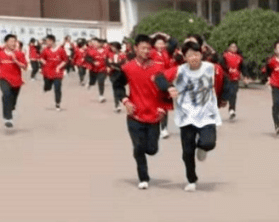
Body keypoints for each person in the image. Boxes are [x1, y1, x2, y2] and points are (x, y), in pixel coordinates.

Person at [155, 39, 227, 192]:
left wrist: (222, 99)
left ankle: (202, 148)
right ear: (185, 58)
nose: (193, 58)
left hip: (207, 114)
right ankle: (191, 179)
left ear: (201, 55)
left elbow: (222, 82)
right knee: (187, 151)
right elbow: (159, 77)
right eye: (189, 55)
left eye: (196, 54)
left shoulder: (212, 68)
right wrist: (168, 87)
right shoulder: (179, 70)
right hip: (186, 116)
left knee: (209, 143)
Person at [114, 34, 169, 190]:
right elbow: (117, 86)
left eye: (148, 48)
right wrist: (125, 101)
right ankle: (143, 178)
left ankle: (148, 149)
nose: (146, 51)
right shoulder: (127, 68)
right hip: (135, 115)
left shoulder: (158, 68)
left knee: (151, 149)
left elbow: (165, 90)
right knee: (138, 147)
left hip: (153, 116)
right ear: (136, 48)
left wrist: (162, 107)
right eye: (143, 48)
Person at [0, 34, 28, 129]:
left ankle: (10, 107)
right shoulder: (0, 53)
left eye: (14, 41)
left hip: (16, 80)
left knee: (12, 100)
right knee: (6, 94)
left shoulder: (19, 54)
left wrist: (16, 61)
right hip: (3, 78)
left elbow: (25, 67)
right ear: (6, 42)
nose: (13, 43)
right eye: (11, 41)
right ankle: (8, 118)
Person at [40, 35, 68, 111]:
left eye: (47, 41)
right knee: (48, 87)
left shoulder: (61, 50)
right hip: (48, 72)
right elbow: (41, 58)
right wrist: (45, 63)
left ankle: (57, 103)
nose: (46, 42)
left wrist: (59, 67)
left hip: (57, 72)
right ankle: (46, 87)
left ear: (52, 41)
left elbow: (65, 60)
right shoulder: (46, 50)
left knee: (57, 87)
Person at [220, 42, 243, 119]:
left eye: (235, 47)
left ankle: (232, 109)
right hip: (226, 78)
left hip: (235, 78)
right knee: (225, 92)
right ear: (229, 48)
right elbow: (221, 65)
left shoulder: (239, 57)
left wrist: (245, 77)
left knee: (233, 94)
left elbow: (242, 68)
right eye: (232, 47)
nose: (233, 48)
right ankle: (221, 102)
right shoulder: (225, 56)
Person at [85, 38, 110, 103]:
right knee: (93, 82)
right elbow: (87, 58)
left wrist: (108, 66)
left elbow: (108, 59)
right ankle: (90, 83)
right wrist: (93, 62)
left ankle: (101, 96)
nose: (100, 44)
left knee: (101, 81)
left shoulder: (106, 51)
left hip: (102, 69)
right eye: (99, 43)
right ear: (97, 43)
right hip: (94, 69)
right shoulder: (92, 51)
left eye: (102, 43)